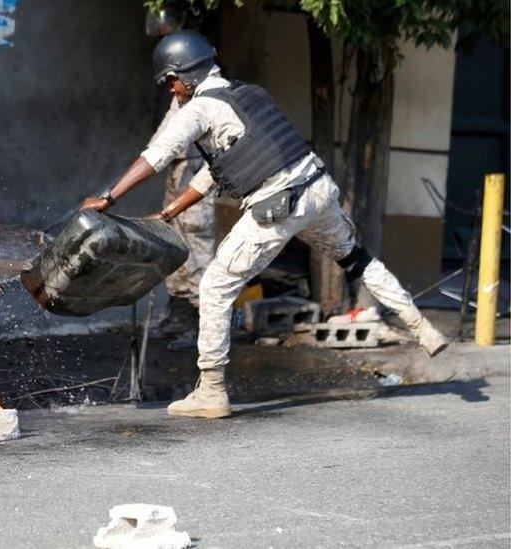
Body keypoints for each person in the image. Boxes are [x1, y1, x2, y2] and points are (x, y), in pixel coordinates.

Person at [80, 30, 448, 419]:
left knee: (215, 285)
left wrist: (108, 196)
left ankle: (212, 390)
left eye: (170, 82)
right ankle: (420, 325)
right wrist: (171, 212)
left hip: (280, 204)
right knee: (356, 259)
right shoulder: (248, 96)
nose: (172, 92)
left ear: (184, 74)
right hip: (318, 190)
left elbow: (157, 155)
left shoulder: (199, 109)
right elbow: (213, 173)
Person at [149, 104, 215, 350]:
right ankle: (179, 317)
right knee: (174, 244)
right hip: (178, 168)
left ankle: (201, 328)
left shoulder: (204, 97)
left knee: (197, 253)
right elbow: (165, 133)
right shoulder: (180, 97)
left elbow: (175, 134)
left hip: (198, 169)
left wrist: (152, 157)